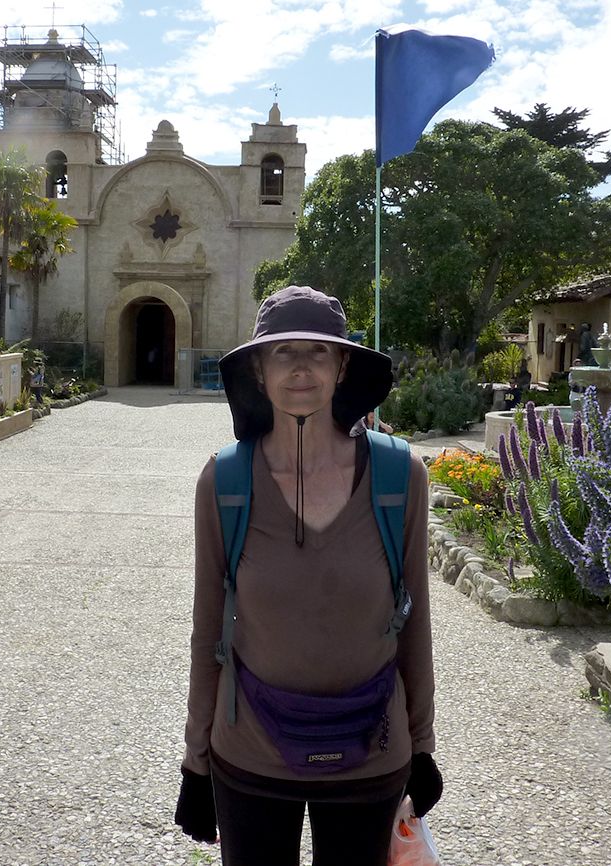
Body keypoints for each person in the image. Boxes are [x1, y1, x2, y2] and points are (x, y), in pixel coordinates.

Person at [174, 286, 441, 866]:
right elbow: (208, 633)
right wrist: (196, 761)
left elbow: (412, 621)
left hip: (372, 753)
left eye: (318, 352)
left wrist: (422, 746)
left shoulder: (399, 477)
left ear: (343, 365)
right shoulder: (225, 483)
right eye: (281, 352)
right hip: (251, 757)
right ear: (258, 369)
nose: (300, 367)